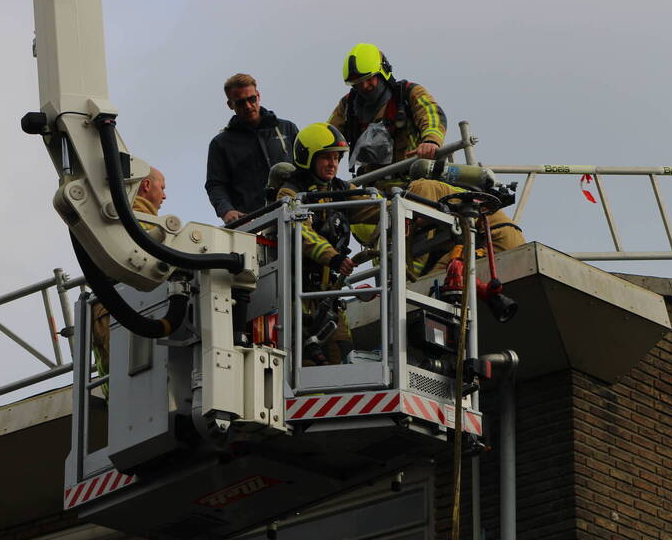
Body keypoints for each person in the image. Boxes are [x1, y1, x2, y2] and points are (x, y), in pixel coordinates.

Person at [329, 43, 526, 255]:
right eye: (358, 83)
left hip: (415, 185)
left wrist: (431, 141)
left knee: (418, 244)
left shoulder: (408, 93)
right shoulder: (348, 107)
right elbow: (328, 137)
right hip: (376, 192)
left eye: (370, 79)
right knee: (385, 249)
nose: (365, 86)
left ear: (383, 72)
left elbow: (431, 115)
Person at [275, 123, 378, 366]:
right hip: (297, 295)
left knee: (342, 352)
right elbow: (299, 232)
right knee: (306, 360)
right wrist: (334, 258)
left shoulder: (342, 189)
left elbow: (373, 207)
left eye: (336, 157)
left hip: (329, 295)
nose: (333, 164)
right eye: (325, 157)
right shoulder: (289, 193)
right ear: (307, 157)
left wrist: (400, 214)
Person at [90, 167, 167, 391]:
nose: (164, 196)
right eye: (162, 188)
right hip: (126, 306)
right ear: (146, 186)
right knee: (132, 381)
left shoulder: (115, 218)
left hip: (106, 307)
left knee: (116, 383)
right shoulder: (139, 224)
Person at [206, 73, 298, 225]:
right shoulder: (220, 144)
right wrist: (226, 211)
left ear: (258, 96)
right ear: (230, 105)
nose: (248, 106)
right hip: (251, 225)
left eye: (251, 99)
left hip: (293, 216)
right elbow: (215, 185)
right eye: (241, 103)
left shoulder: (287, 129)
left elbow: (306, 169)